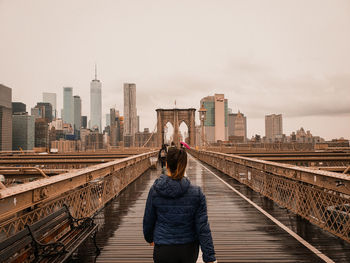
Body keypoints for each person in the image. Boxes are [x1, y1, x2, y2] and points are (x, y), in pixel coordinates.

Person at [143, 147, 216, 263]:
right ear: (184, 165)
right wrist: (209, 257)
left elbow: (148, 220)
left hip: (163, 249)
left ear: (166, 164)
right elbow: (203, 228)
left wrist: (150, 238)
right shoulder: (197, 193)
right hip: (188, 250)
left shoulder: (155, 190)